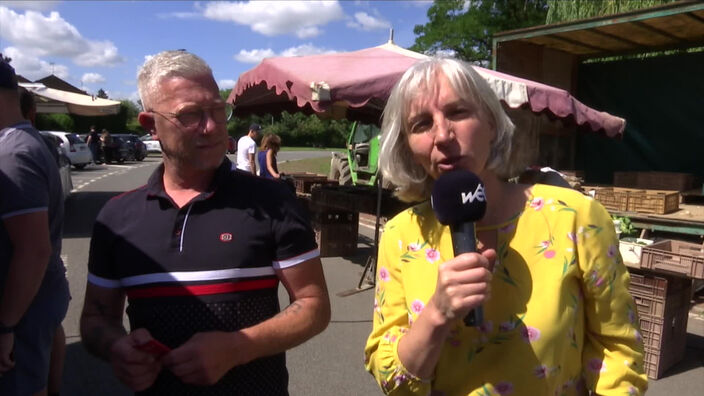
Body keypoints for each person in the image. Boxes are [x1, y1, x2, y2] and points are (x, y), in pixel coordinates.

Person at [363, 58, 647, 395]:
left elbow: (618, 351)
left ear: (492, 124)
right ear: (409, 148)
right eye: (421, 124)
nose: (442, 135)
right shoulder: (400, 236)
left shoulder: (576, 218)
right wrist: (436, 316)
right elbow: (390, 378)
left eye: (457, 112)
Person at [79, 50, 330, 395]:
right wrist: (116, 348)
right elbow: (95, 319)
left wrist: (238, 347)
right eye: (190, 115)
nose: (212, 127)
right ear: (151, 125)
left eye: (217, 110)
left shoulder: (272, 203)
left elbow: (314, 305)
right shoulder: (116, 217)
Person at [0, 60, 71, 396]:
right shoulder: (25, 142)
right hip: (35, 298)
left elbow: (33, 250)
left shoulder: (12, 154)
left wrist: (5, 325)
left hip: (22, 304)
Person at [19, 88, 67, 396]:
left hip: (28, 274)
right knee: (51, 329)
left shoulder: (19, 150)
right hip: (49, 268)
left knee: (23, 366)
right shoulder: (45, 145)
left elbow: (31, 247)